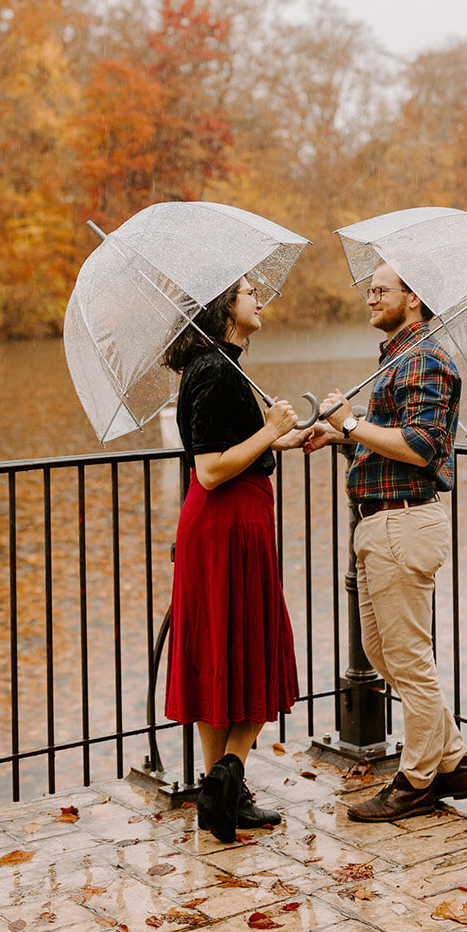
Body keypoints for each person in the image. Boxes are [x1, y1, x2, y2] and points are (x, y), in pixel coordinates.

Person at [306, 260, 467, 820]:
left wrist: (354, 426)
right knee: (385, 654)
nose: (370, 297)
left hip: (405, 525)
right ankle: (455, 759)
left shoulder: (427, 358)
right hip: (381, 523)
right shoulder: (397, 360)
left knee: (407, 659)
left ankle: (418, 779)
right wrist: (339, 430)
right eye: (370, 289)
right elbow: (390, 439)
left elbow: (423, 445)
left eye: (381, 290)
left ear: (413, 297)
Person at [163, 275, 310, 843]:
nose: (258, 300)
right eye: (249, 293)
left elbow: (234, 444)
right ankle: (232, 778)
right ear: (225, 306)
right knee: (253, 644)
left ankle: (217, 791)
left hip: (218, 524)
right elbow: (211, 466)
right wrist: (269, 429)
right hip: (229, 523)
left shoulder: (215, 365)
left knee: (219, 648)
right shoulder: (218, 371)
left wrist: (286, 437)